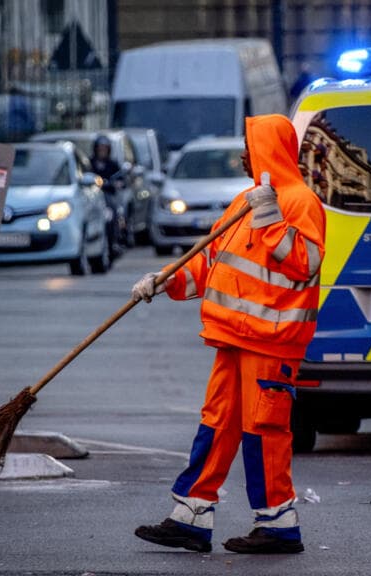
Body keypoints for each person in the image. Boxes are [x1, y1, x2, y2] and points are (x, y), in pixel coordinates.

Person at [131, 114, 326, 555]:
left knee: (264, 431)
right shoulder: (246, 200)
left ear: (270, 153)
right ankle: (191, 517)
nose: (243, 154)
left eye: (250, 146)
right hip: (235, 338)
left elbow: (305, 261)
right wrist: (164, 280)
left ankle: (278, 526)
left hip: (271, 341)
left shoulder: (298, 201)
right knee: (216, 425)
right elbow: (210, 262)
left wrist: (269, 216)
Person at [89, 134, 125, 254]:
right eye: (100, 148)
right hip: (93, 197)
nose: (102, 151)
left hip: (108, 196)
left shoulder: (112, 164)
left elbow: (121, 179)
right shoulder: (90, 163)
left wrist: (118, 183)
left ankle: (115, 240)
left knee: (114, 213)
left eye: (105, 148)